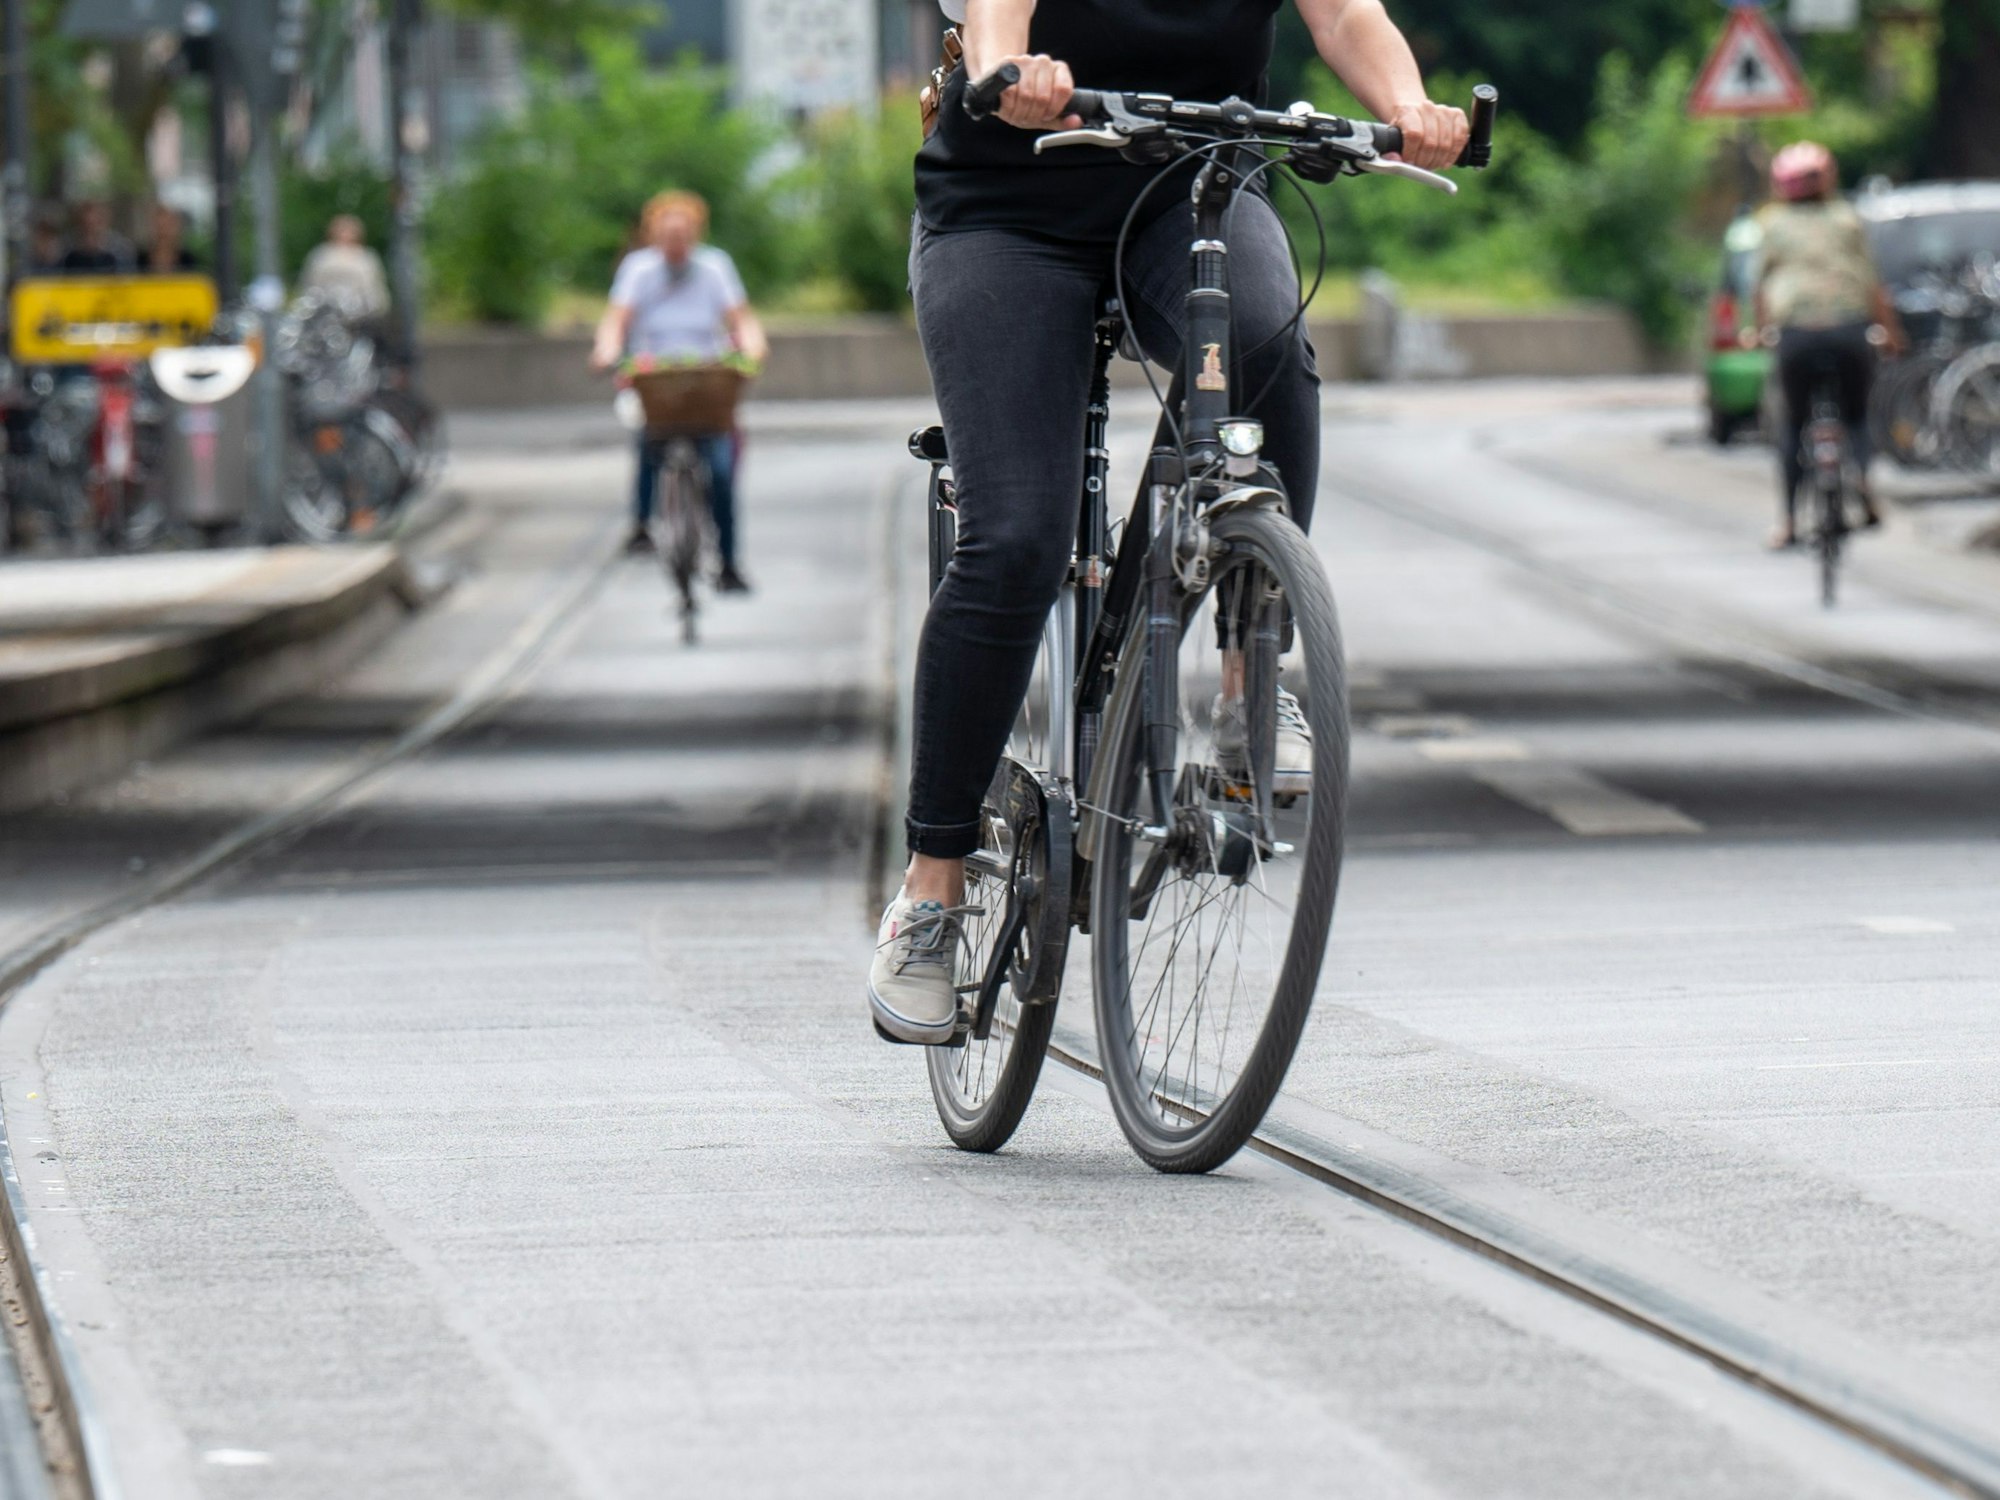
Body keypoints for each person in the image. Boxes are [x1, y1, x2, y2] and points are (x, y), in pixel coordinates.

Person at [866, 0, 1469, 1043]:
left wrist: (1408, 104)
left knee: (1265, 347)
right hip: (1008, 210)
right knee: (1017, 538)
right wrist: (1008, 71)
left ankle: (1246, 686)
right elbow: (998, 14)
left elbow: (1344, 15)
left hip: (1190, 194)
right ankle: (933, 883)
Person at [590, 189, 768, 583]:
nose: (676, 243)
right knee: (647, 440)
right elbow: (616, 319)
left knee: (720, 468)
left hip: (707, 375)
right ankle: (642, 524)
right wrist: (607, 350)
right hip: (653, 373)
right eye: (668, 235)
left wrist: (752, 349)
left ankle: (728, 561)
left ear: (695, 233)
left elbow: (741, 318)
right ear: (654, 235)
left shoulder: (715, 267)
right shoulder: (638, 270)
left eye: (683, 235)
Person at [1754, 141, 1906, 550]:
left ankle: (1788, 522)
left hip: (1796, 336)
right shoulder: (1848, 220)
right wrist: (1891, 334)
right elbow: (1874, 285)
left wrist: (1761, 332)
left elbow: (1760, 288)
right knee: (1856, 415)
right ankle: (1862, 481)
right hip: (1849, 332)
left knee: (1792, 423)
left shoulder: (1772, 225)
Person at [299, 215, 390, 320]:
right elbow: (310, 282)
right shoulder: (321, 254)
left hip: (360, 313)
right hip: (325, 310)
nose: (345, 234)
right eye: (341, 229)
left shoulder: (366, 257)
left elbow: (374, 287)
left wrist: (378, 307)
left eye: (349, 230)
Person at [58, 201, 134, 274]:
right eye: (85, 223)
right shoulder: (66, 247)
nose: (90, 227)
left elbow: (127, 275)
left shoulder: (120, 248)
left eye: (96, 222)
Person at [142, 204, 199, 273]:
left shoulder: (188, 260)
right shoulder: (141, 259)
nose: (163, 232)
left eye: (167, 226)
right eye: (160, 227)